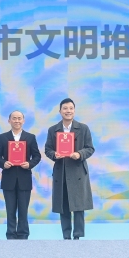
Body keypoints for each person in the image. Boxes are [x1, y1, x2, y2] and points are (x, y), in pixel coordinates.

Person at [44, 98, 95, 240]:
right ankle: (66, 236)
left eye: (71, 108)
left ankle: (77, 236)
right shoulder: (53, 130)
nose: (68, 111)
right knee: (64, 206)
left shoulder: (83, 128)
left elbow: (90, 148)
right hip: (61, 172)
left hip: (78, 172)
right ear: (60, 111)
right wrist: (54, 154)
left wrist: (79, 154)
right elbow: (48, 149)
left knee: (78, 206)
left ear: (74, 110)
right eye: (65, 108)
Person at [0, 111, 41, 239]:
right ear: (9, 121)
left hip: (24, 179)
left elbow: (37, 156)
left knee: (23, 210)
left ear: (23, 121)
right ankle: (10, 235)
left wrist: (29, 164)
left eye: (19, 118)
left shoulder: (30, 137)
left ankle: (23, 234)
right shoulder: (2, 137)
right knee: (10, 210)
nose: (17, 121)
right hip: (8, 179)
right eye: (14, 118)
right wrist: (3, 163)